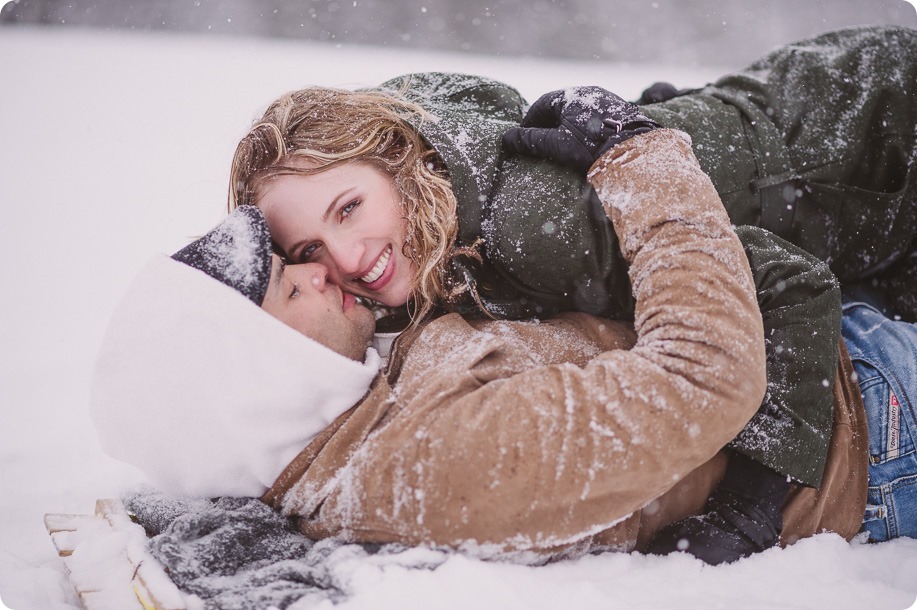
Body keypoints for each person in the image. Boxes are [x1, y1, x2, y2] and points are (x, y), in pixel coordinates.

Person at [221, 26, 917, 562]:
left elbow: (788, 281)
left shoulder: (524, 223)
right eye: (307, 253)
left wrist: (756, 495)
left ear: (399, 161)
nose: (344, 259)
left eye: (347, 208)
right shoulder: (431, 229)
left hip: (880, 139)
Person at [91, 129, 913, 565]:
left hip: (824, 340)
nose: (318, 274)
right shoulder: (434, 466)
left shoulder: (347, 423)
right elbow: (706, 375)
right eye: (284, 286)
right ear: (253, 375)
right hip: (866, 423)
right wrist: (639, 156)